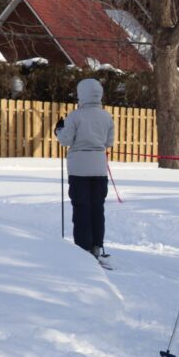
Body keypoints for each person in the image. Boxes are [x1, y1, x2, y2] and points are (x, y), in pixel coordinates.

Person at [54, 78, 115, 267]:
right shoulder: (107, 117)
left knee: (82, 207)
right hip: (98, 167)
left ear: (81, 94)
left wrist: (58, 129)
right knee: (97, 207)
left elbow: (65, 140)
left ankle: (83, 248)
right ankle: (97, 245)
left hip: (79, 168)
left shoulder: (75, 116)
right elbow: (109, 142)